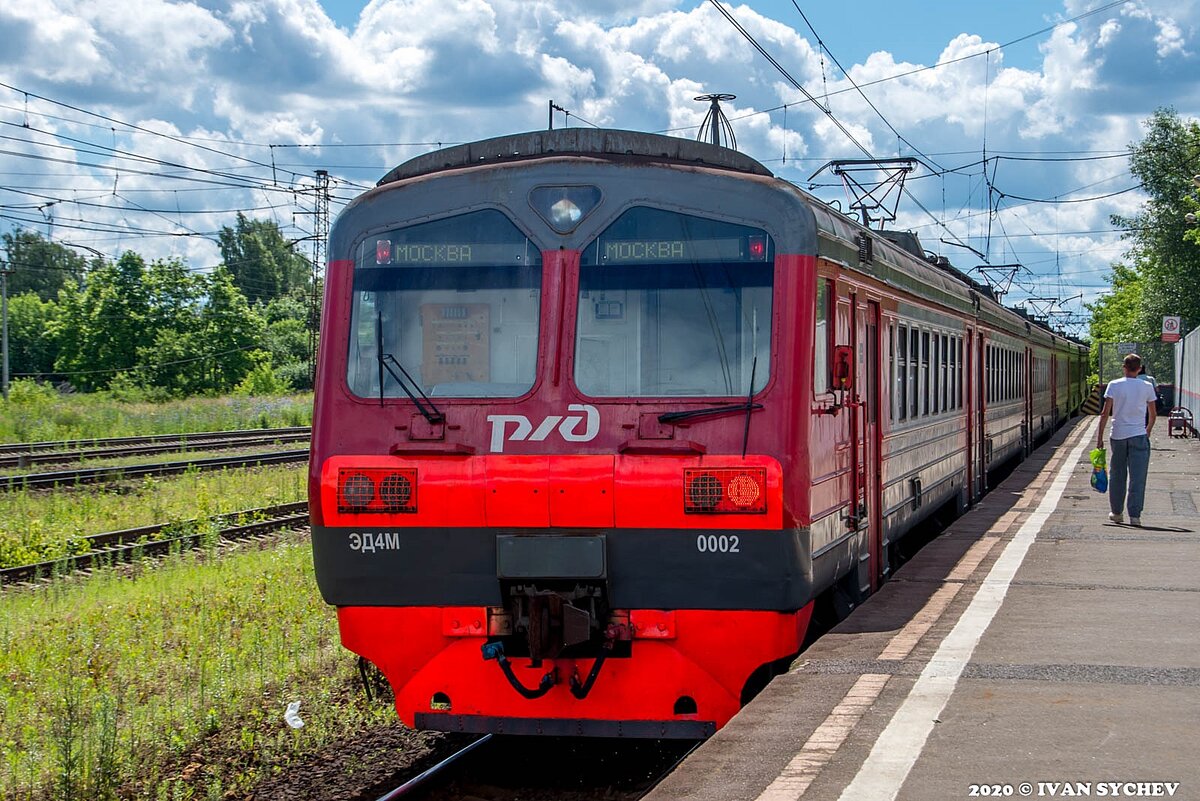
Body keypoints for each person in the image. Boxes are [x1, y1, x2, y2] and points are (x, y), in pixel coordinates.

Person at [1097, 353, 1158, 526]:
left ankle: (1117, 513)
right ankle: (1135, 516)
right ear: (1139, 369)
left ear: (1124, 367)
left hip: (1117, 435)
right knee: (1138, 477)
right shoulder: (1147, 386)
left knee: (1117, 475)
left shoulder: (1114, 385)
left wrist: (1099, 439)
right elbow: (1152, 415)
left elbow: (1104, 414)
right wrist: (1147, 431)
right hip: (1139, 435)